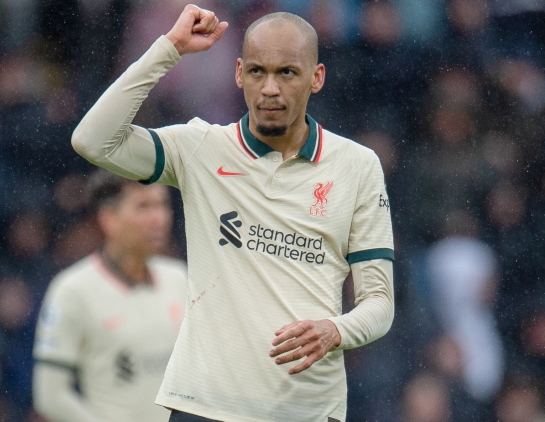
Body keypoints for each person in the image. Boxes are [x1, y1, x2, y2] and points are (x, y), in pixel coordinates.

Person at [71, 5, 394, 421]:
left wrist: (336, 330)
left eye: (287, 73)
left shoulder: (358, 166)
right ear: (239, 73)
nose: (270, 88)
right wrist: (169, 49)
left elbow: (379, 302)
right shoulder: (200, 148)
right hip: (204, 406)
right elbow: (92, 140)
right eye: (258, 71)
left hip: (306, 410)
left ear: (316, 78)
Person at [32, 170, 188, 422]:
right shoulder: (72, 290)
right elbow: (51, 397)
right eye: (144, 206)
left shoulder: (180, 278)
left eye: (163, 205)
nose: (159, 218)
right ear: (109, 220)